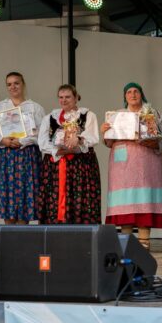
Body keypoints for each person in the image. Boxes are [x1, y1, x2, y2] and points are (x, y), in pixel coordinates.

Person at [101, 82, 162, 249]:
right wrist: (105, 131)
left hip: (146, 161)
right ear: (125, 97)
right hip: (122, 165)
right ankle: (126, 242)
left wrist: (156, 143)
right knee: (126, 200)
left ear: (141, 94)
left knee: (144, 199)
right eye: (129, 92)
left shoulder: (151, 113)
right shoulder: (117, 115)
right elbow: (109, 142)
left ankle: (144, 241)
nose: (132, 95)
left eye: (136, 91)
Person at [0, 72, 45, 225]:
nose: (13, 87)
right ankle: (9, 238)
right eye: (9, 84)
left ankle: (22, 240)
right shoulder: (0, 107)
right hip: (4, 157)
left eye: (16, 83)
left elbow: (42, 135)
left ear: (23, 84)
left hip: (27, 156)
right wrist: (3, 140)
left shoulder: (35, 108)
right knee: (7, 198)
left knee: (25, 197)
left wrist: (22, 140)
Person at [37, 84, 101, 224]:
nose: (64, 100)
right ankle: (55, 236)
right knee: (56, 199)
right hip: (56, 166)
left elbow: (93, 138)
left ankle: (83, 237)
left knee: (81, 199)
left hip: (81, 166)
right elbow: (42, 142)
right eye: (61, 97)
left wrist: (78, 140)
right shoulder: (50, 117)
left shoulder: (88, 115)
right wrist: (58, 150)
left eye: (67, 97)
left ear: (76, 97)